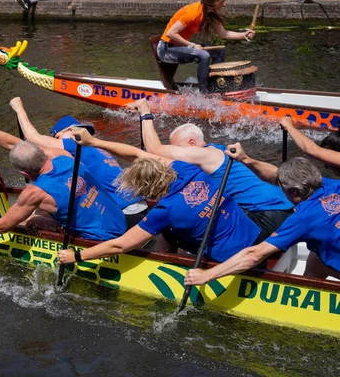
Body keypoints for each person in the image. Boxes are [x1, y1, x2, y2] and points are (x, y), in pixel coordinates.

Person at [57, 129, 263, 266]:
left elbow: (121, 245)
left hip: (233, 259)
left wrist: (76, 256)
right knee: (173, 232)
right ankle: (171, 257)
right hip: (257, 237)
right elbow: (138, 154)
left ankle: (169, 263)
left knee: (167, 230)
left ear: (147, 189)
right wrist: (92, 141)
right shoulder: (187, 169)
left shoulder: (165, 210)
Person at [0, 114, 127, 241]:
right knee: (40, 211)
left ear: (24, 174)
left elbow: (1, 227)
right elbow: (14, 144)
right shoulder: (63, 156)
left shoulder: (34, 193)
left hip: (100, 239)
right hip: (120, 221)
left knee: (29, 220)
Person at [138, 102, 294, 237]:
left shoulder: (205, 154)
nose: (173, 154)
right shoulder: (217, 150)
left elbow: (154, 149)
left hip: (267, 216)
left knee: (176, 225)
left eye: (176, 148)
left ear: (192, 143)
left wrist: (145, 112)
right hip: (286, 211)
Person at [185, 157, 340, 286]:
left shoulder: (302, 218)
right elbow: (274, 174)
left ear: (294, 192)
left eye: (283, 190)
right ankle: (309, 293)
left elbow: (254, 254)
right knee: (315, 259)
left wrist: (207, 275)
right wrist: (245, 159)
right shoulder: (332, 184)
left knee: (317, 259)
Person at [10, 97, 148, 229]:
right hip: (141, 210)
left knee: (40, 216)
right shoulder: (96, 148)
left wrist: (19, 110)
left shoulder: (75, 144)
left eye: (57, 137)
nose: (56, 143)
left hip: (126, 214)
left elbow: (34, 139)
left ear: (70, 131)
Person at [157, 0, 255, 93]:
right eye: (222, 1)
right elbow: (171, 33)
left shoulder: (210, 13)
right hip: (166, 49)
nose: (224, 4)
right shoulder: (193, 13)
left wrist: (244, 35)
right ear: (213, 1)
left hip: (179, 47)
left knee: (219, 52)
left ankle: (216, 85)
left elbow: (224, 34)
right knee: (204, 55)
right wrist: (192, 45)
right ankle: (204, 92)